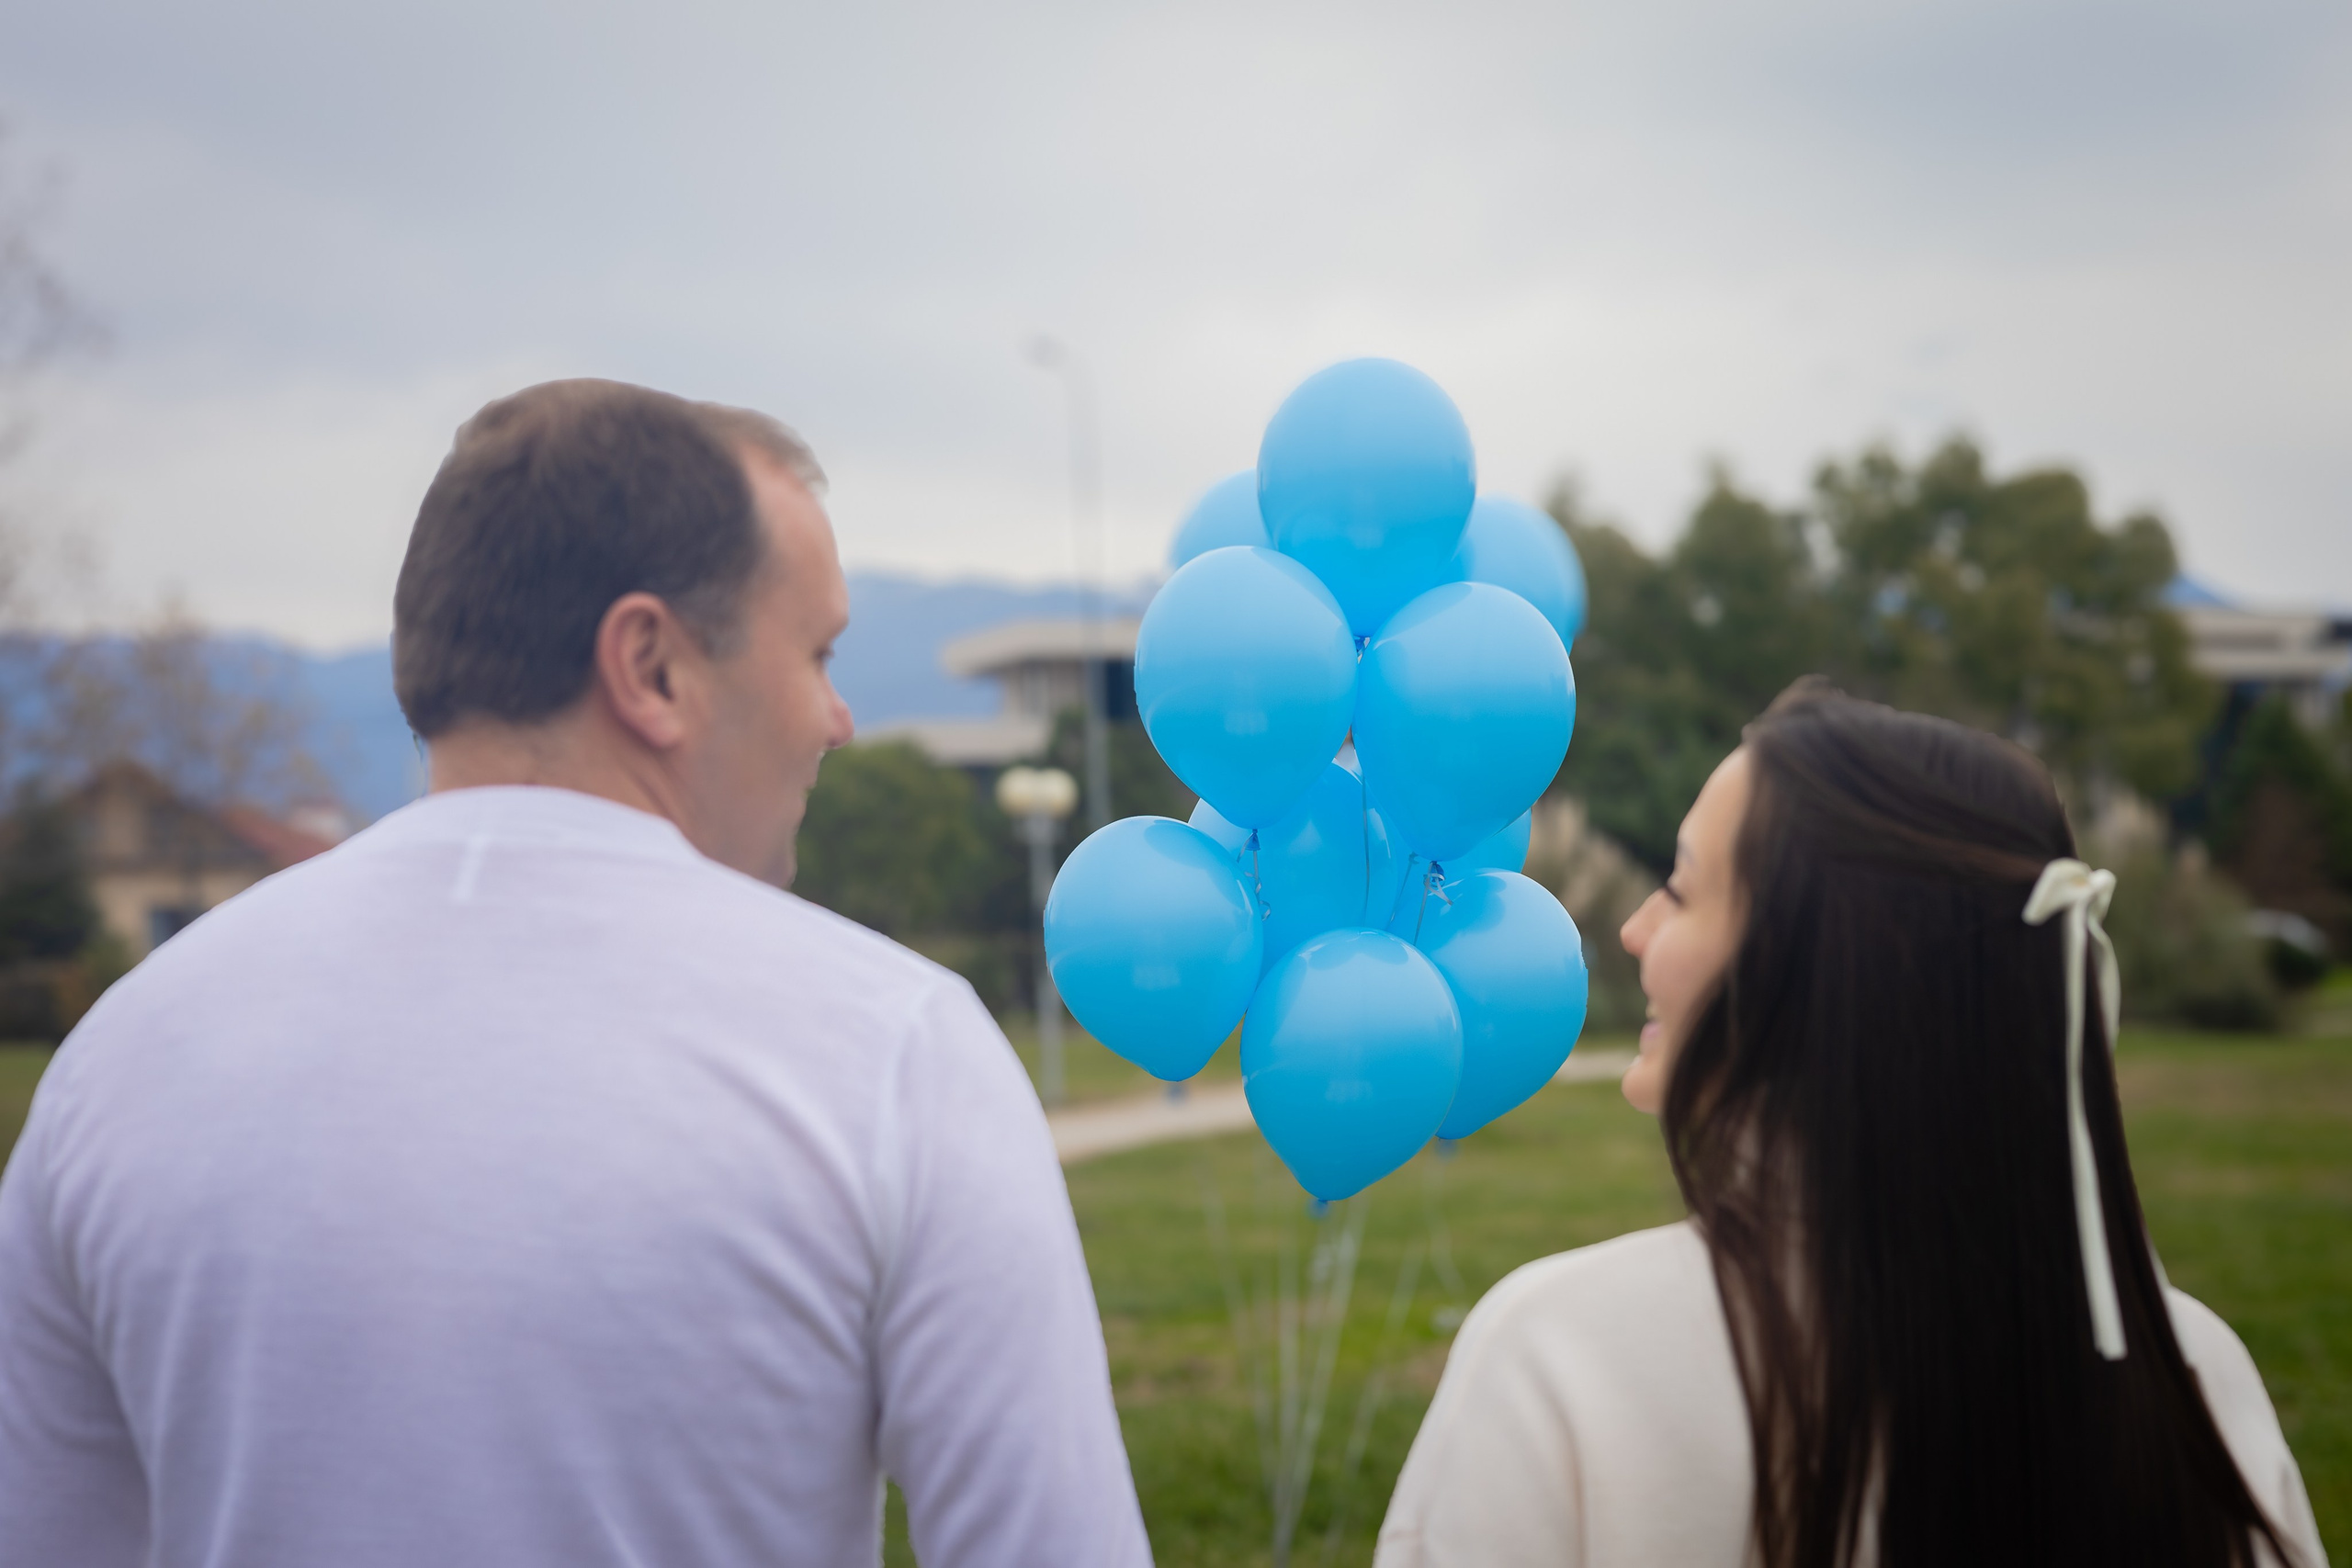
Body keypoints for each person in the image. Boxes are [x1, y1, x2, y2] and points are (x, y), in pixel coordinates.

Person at [0, 379, 1152, 1567]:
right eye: (817, 652)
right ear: (648, 663)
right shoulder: (895, 1051)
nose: (838, 717)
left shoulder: (116, 1063)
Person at [1376, 680, 2325, 1568]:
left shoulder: (1557, 1357)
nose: (1633, 929)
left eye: (1682, 886)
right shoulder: (2191, 1373)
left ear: (1823, 962)